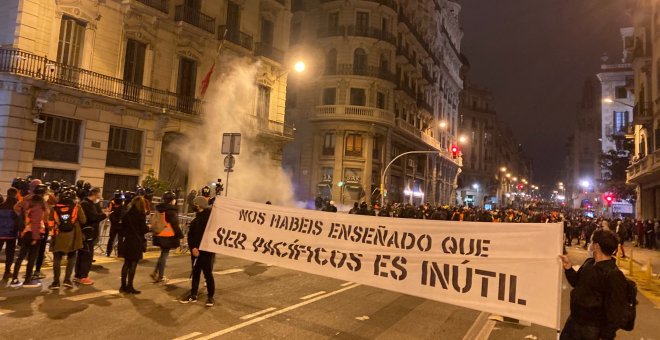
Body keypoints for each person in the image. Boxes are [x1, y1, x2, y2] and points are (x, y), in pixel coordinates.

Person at [558, 229, 629, 340]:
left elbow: (615, 312)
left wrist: (606, 336)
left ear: (596, 246)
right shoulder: (589, 263)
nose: (589, 244)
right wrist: (568, 268)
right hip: (574, 321)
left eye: (591, 241)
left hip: (592, 329)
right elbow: (576, 282)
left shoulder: (613, 275)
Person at [11, 183, 49, 288]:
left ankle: (14, 278)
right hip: (35, 233)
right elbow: (44, 217)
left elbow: (16, 207)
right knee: (32, 257)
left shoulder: (27, 202)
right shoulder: (41, 204)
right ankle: (27, 279)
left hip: (25, 232)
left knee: (21, 256)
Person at [48, 187, 85, 290]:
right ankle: (67, 280)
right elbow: (83, 220)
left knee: (57, 259)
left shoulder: (54, 208)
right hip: (73, 236)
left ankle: (55, 282)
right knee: (72, 257)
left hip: (58, 235)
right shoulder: (77, 207)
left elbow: (50, 222)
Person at [180, 196, 215, 306]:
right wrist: (193, 248)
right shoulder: (196, 219)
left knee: (207, 274)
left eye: (195, 204)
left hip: (206, 251)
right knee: (195, 273)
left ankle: (210, 297)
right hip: (196, 251)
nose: (193, 206)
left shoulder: (210, 219)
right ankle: (193, 294)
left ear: (199, 205)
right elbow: (191, 236)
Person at [76, 187, 107, 285]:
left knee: (83, 255)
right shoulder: (86, 204)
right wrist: (104, 215)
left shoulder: (91, 204)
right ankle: (83, 276)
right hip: (87, 233)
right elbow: (93, 217)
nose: (100, 197)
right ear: (94, 194)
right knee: (86, 255)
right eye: (99, 195)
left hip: (89, 233)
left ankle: (78, 275)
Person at [119, 195, 149, 294]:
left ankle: (123, 286)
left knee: (126, 263)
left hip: (127, 240)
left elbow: (122, 229)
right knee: (133, 263)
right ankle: (130, 286)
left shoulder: (126, 214)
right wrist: (149, 227)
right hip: (136, 241)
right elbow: (144, 230)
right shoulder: (141, 215)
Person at [150, 191, 183, 283]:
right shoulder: (171, 211)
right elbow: (175, 225)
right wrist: (181, 235)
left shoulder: (160, 209)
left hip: (159, 234)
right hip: (167, 235)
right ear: (171, 200)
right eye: (174, 199)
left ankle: (155, 272)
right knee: (164, 255)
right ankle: (160, 276)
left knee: (162, 255)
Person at [0, 188, 19, 280]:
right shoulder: (16, 207)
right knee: (10, 253)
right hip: (11, 234)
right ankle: (7, 272)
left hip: (0, 233)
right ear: (15, 195)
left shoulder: (1, 205)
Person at [106, 191, 126, 257]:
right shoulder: (122, 204)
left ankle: (108, 252)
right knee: (120, 239)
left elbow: (110, 212)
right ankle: (120, 254)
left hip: (114, 224)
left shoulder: (112, 202)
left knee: (111, 238)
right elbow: (122, 214)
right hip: (120, 225)